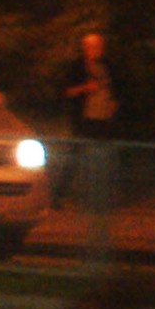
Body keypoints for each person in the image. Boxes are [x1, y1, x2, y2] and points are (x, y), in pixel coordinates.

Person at [43, 27, 118, 204]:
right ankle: (58, 195)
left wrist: (114, 103)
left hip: (103, 119)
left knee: (102, 158)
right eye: (94, 46)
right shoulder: (76, 67)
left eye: (99, 45)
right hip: (84, 119)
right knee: (74, 157)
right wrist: (85, 88)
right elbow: (66, 91)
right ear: (85, 48)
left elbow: (115, 88)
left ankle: (99, 197)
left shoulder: (107, 66)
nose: (98, 49)